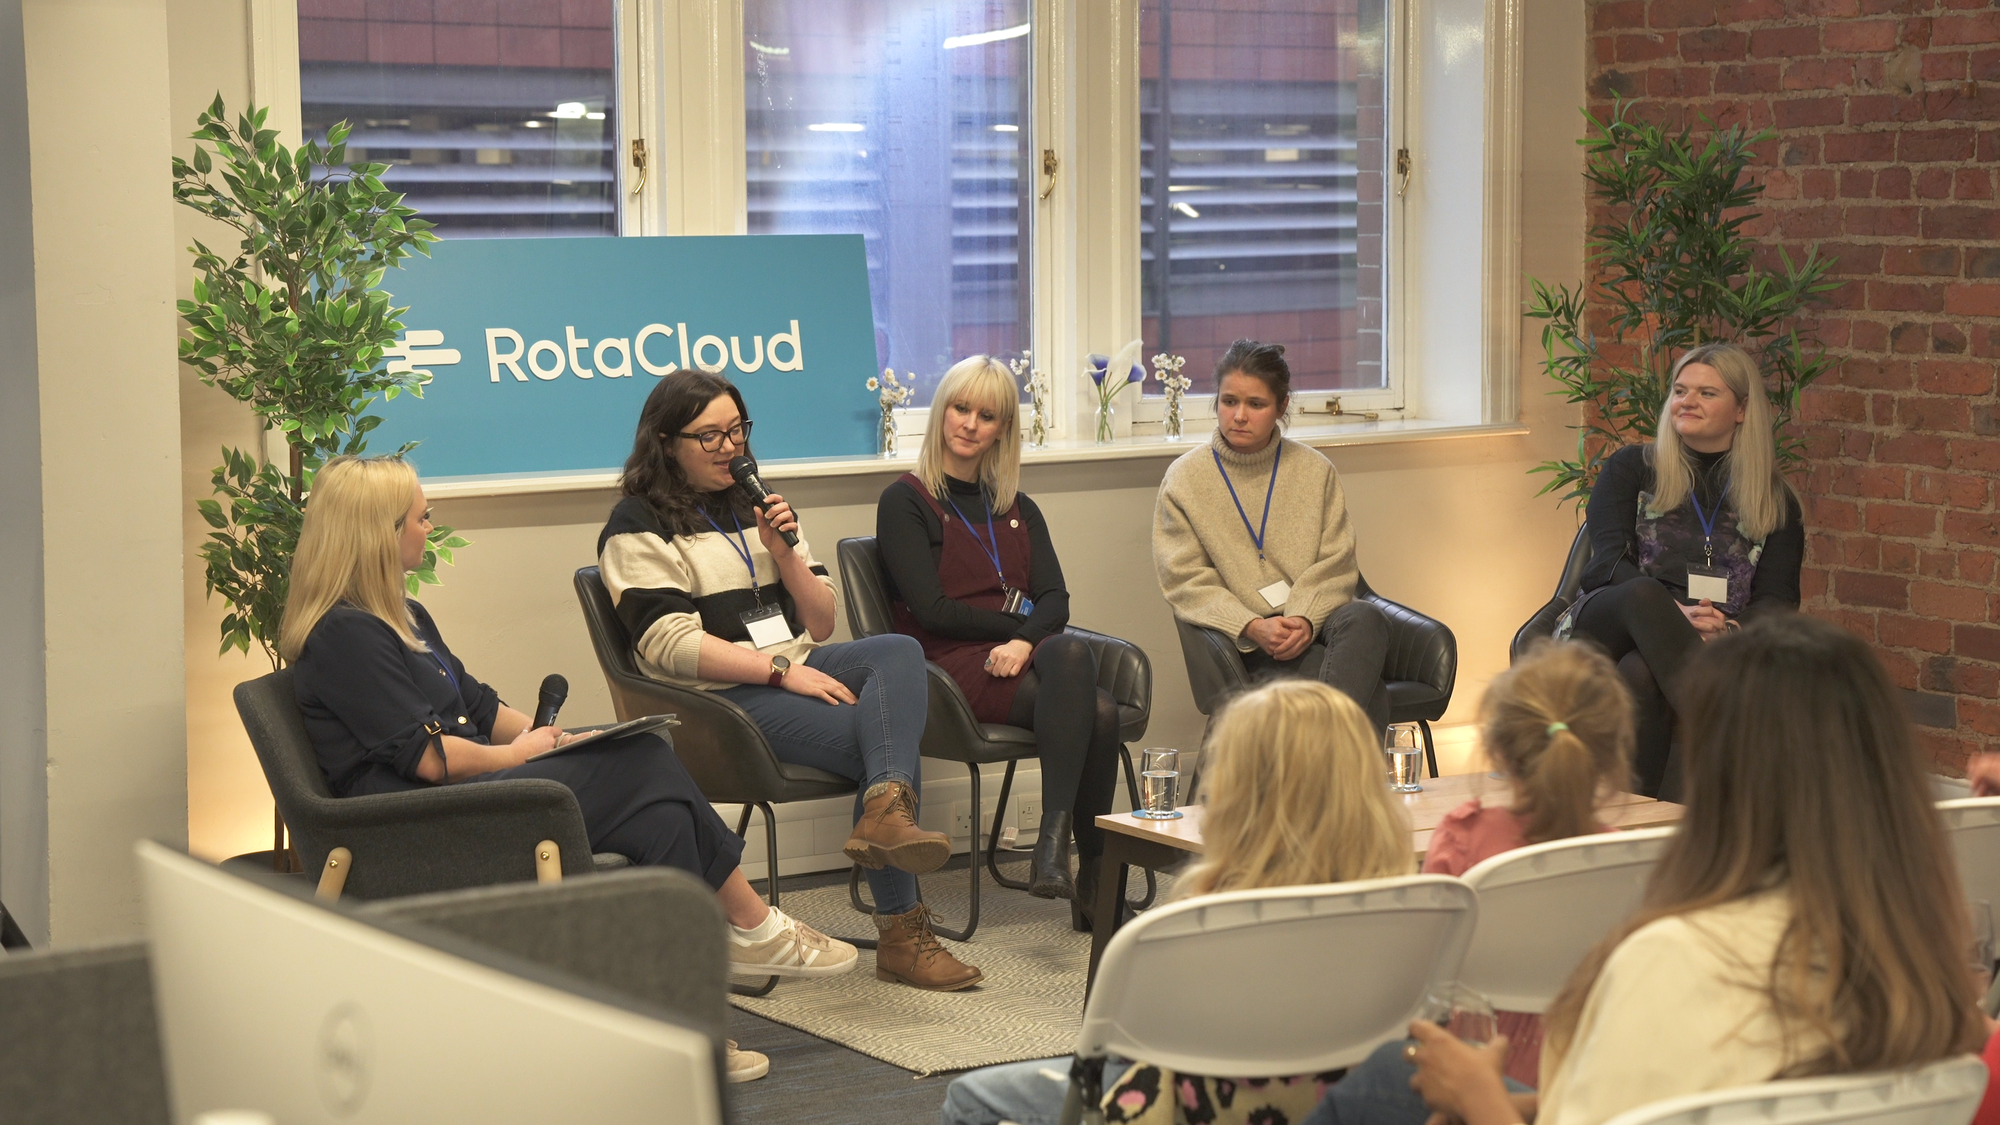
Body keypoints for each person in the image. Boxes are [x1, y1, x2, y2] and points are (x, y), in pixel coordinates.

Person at [286, 455, 860, 1085]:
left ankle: (682, 1027)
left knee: (658, 810)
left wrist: (556, 739)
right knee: (644, 760)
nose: (430, 526)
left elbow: (482, 709)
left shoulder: (402, 616)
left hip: (470, 790)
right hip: (416, 823)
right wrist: (521, 756)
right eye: (421, 518)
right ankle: (753, 927)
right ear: (380, 532)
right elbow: (428, 758)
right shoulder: (344, 634)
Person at [1402, 614, 1985, 1125]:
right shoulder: (1927, 980)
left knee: (1387, 1075)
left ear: (1720, 775)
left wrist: (1482, 1099)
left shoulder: (1673, 961)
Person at [598, 370, 983, 991]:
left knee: (898, 651)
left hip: (792, 665)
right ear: (665, 442)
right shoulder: (636, 522)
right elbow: (671, 644)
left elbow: (822, 621)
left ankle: (886, 815)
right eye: (710, 436)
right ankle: (903, 934)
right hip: (720, 701)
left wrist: (783, 553)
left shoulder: (757, 501)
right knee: (881, 740)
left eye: (737, 430)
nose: (731, 447)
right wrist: (780, 673)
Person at [938, 679, 1411, 1125]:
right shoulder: (1416, 912)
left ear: (1235, 793)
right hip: (1345, 1101)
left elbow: (1137, 1052)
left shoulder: (1194, 928)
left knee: (970, 1096)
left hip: (1201, 1107)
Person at [876, 355, 1122, 919]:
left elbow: (1057, 598)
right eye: (960, 408)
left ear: (1002, 428)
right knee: (1098, 709)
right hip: (948, 664)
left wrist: (1025, 642)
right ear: (942, 412)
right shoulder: (905, 501)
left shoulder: (1016, 506)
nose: (969, 424)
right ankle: (1087, 880)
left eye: (986, 416)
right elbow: (933, 612)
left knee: (1074, 656)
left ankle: (1056, 849)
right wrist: (1022, 630)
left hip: (1018, 656)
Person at [1566, 341, 1803, 798]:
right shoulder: (1631, 468)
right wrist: (1671, 614)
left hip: (1711, 637)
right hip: (1608, 622)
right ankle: (1730, 736)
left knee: (1640, 672)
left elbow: (1777, 600)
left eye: (1706, 393)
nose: (1687, 401)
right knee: (1645, 596)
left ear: (1742, 409)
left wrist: (1729, 628)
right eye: (1680, 390)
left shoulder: (1774, 499)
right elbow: (1605, 566)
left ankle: (1646, 815)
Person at [1422, 639, 1634, 1087]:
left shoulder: (1461, 839)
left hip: (1479, 1072)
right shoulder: (1622, 861)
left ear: (1499, 749)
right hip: (1589, 1073)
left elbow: (1428, 976)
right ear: (1610, 753)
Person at [1153, 339, 1391, 734]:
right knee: (1369, 691)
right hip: (1246, 641)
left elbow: (1337, 561)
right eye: (1229, 401)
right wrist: (1251, 625)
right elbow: (1184, 579)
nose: (1239, 416)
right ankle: (1341, 765)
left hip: (1315, 621)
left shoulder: (1316, 470)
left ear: (1281, 407)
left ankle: (1321, 759)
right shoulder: (1184, 479)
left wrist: (1303, 617)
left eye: (1256, 404)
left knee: (1367, 617)